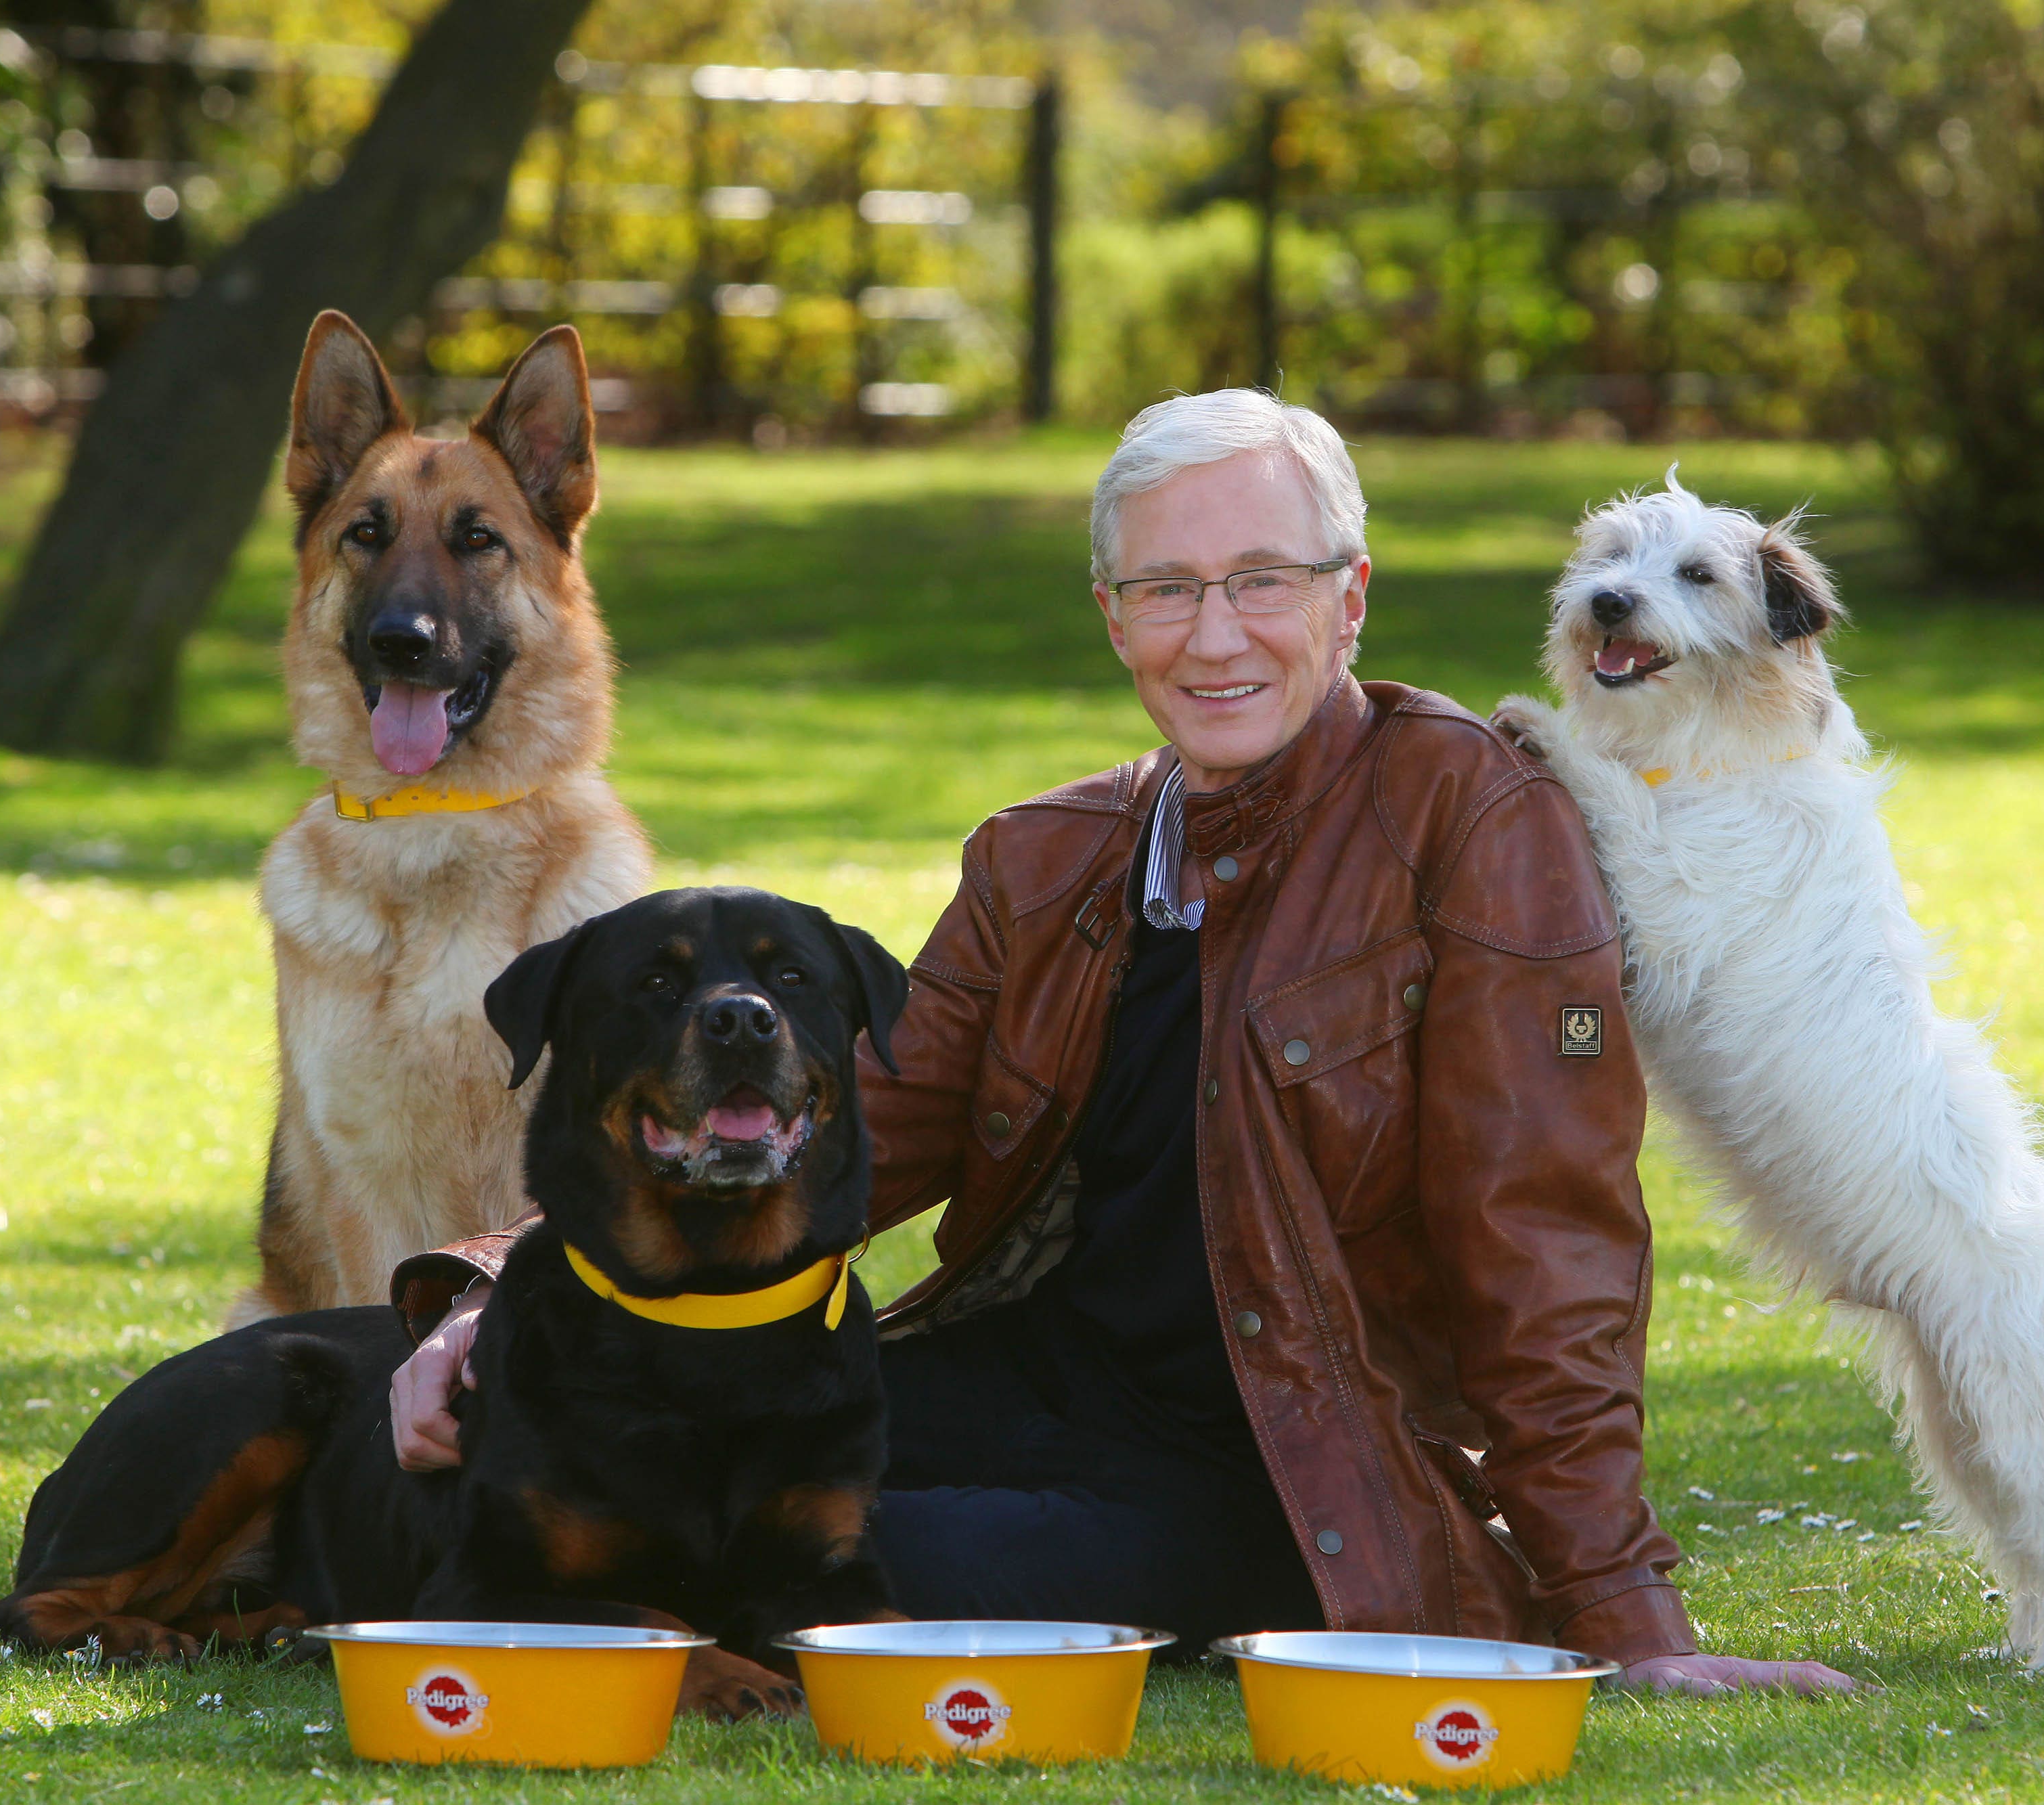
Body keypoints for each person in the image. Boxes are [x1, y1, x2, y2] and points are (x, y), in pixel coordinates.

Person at [385, 390, 1859, 1697]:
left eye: (1260, 581)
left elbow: (1545, 1247)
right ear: (1111, 613)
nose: (1212, 634)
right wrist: (491, 1293)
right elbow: (851, 1119)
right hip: (1028, 1380)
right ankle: (266, 1556)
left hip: (1287, 1472)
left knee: (779, 1549)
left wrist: (1624, 1612)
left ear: (1350, 599)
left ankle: (481, 1600)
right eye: (1165, 586)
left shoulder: (1469, 822)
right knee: (589, 1440)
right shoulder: (1049, 853)